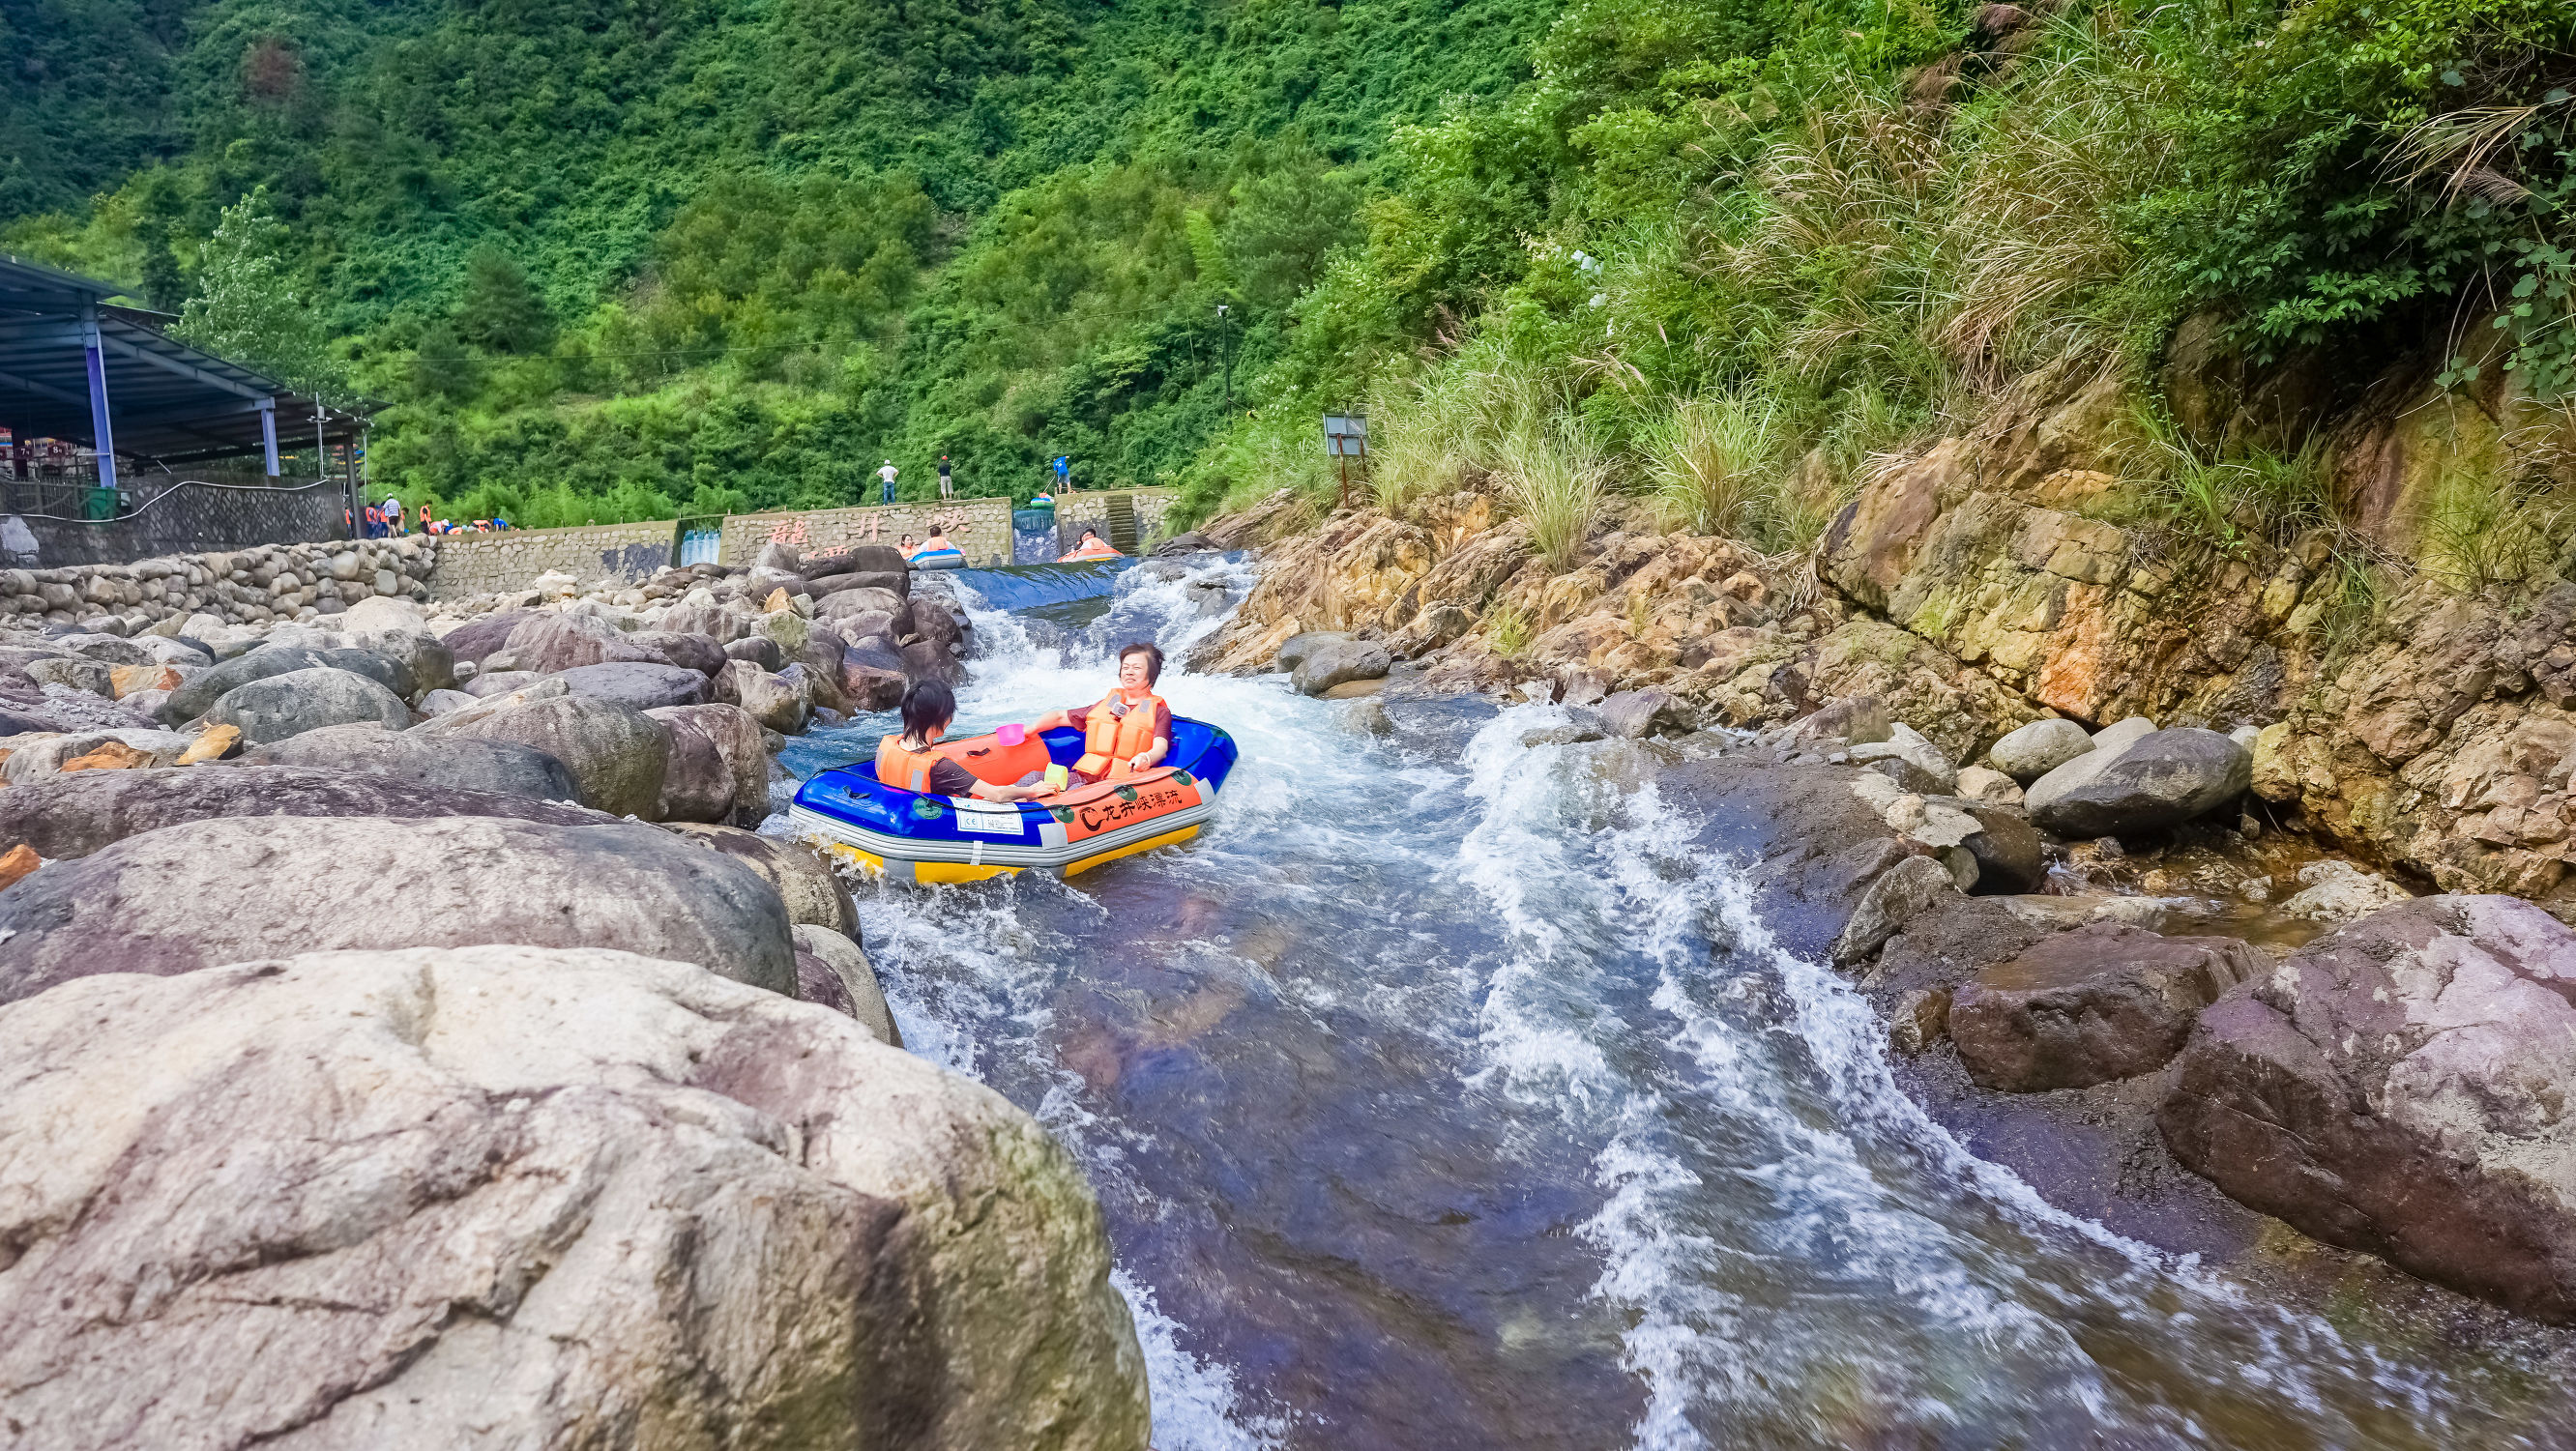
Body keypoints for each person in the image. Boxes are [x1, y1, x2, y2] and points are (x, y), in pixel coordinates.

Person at [876, 680, 1050, 800]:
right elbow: (997, 795)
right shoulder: (940, 767)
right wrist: (1032, 791)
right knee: (1035, 779)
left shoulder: (888, 747)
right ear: (939, 719)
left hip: (905, 812)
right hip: (936, 826)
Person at [1031, 642, 1169, 786]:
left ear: (1152, 674)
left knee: (1074, 791)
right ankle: (1012, 798)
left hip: (1116, 784)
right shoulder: (1106, 703)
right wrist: (1031, 728)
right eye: (1125, 667)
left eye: (1137, 668)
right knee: (1034, 777)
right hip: (1086, 775)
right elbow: (1059, 717)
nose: (1129, 672)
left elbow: (1160, 747)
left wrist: (1146, 758)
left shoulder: (1158, 711)